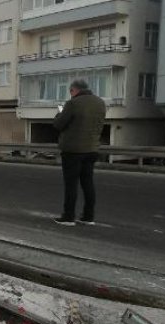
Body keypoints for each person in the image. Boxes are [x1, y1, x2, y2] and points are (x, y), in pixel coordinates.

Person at [53, 79, 106, 226]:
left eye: (71, 92)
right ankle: (88, 216)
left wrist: (59, 113)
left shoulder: (73, 104)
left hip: (73, 150)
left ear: (74, 90)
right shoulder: (100, 102)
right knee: (88, 183)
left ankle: (68, 217)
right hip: (92, 149)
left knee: (71, 184)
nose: (71, 95)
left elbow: (58, 124)